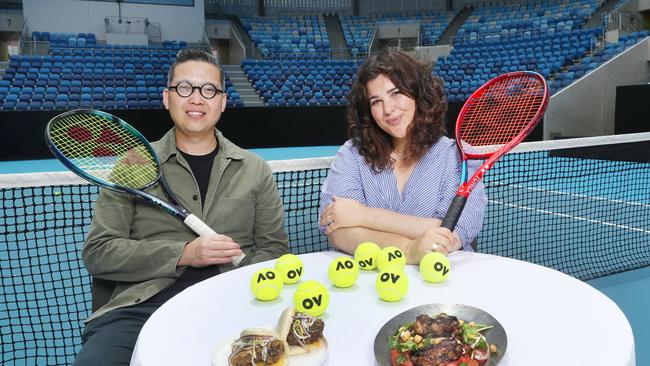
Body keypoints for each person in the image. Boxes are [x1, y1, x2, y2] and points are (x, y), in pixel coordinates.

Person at [73, 49, 289, 365]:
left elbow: (274, 250)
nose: (197, 99)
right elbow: (99, 252)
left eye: (209, 90)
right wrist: (184, 253)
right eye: (185, 88)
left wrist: (242, 281)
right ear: (167, 97)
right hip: (141, 306)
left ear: (223, 101)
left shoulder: (255, 169)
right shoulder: (132, 165)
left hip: (231, 303)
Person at [319, 50, 486, 264]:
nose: (388, 109)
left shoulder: (459, 157)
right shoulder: (352, 154)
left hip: (444, 282)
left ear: (418, 93)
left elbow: (452, 233)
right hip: (372, 285)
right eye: (376, 101)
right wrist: (409, 250)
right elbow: (338, 230)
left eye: (396, 92)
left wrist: (363, 216)